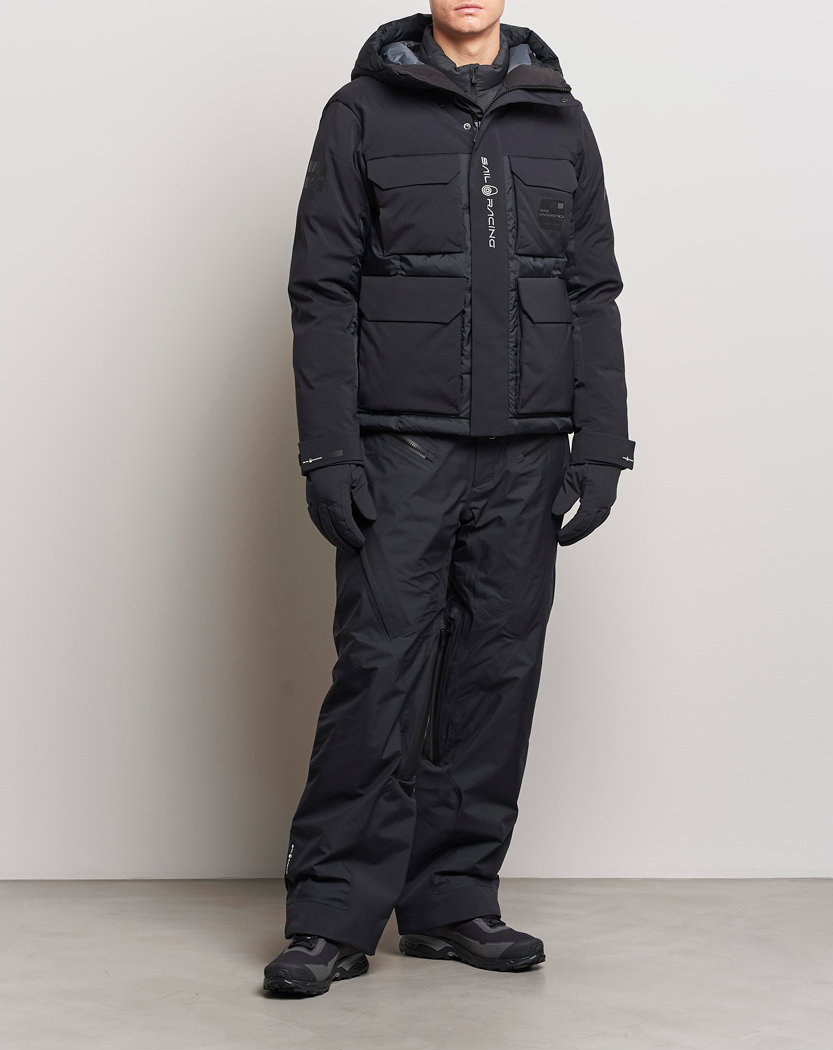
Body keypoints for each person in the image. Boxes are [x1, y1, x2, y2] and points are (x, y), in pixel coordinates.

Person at [264, 0, 633, 997]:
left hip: (528, 450)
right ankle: (332, 915)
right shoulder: (360, 112)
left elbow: (591, 289)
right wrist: (328, 451)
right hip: (400, 447)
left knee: (495, 673)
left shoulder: (561, 119)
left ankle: (454, 901)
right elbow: (321, 288)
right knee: (380, 668)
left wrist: (603, 445)